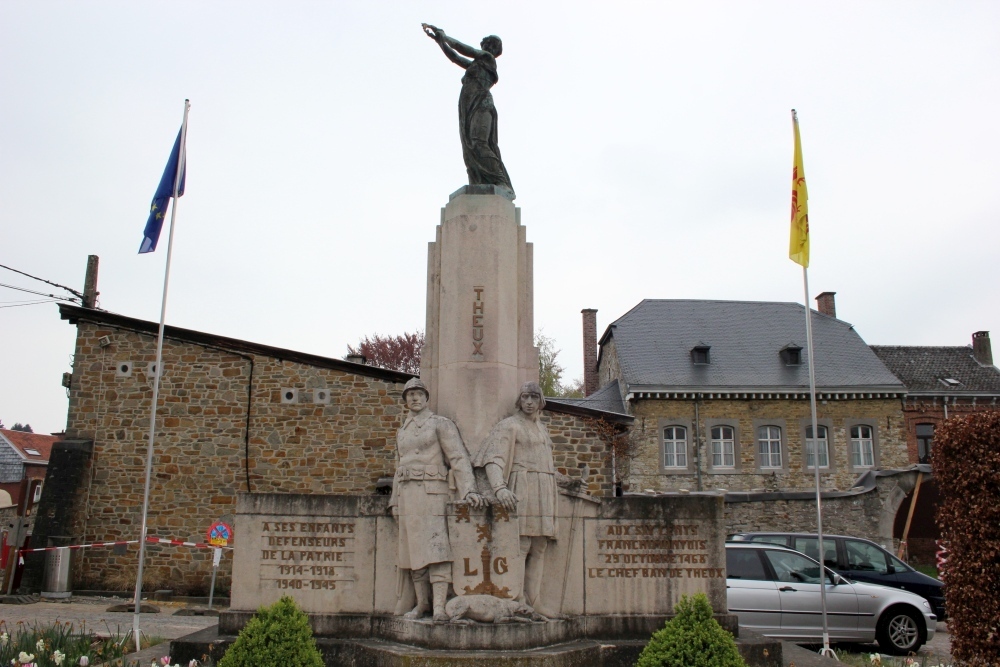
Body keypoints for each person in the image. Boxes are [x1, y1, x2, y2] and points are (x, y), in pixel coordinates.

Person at [389, 378, 485, 622]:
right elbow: (398, 467)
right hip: (407, 495)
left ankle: (440, 606)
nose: (414, 398)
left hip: (433, 493)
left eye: (419, 393)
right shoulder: (403, 430)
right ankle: (422, 604)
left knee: (437, 550)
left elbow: (458, 458)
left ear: (427, 397)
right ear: (405, 400)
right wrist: (394, 500)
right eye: (410, 394)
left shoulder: (440, 424)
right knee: (412, 553)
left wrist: (469, 490)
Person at [475, 382, 564, 617]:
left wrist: (566, 482)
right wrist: (500, 488)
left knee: (540, 545)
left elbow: (547, 464)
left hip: (544, 488)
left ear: (540, 401)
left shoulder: (541, 429)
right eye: (525, 397)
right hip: (522, 486)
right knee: (521, 544)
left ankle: (534, 600)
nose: (529, 402)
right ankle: (517, 598)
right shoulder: (510, 426)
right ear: (519, 400)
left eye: (534, 397)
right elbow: (493, 459)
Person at [421, 23, 514, 195]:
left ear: (493, 49)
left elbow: (462, 48)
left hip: (481, 102)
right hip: (468, 104)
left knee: (479, 143)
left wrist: (445, 36)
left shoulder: (487, 58)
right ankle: (479, 181)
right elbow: (455, 57)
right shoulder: (475, 65)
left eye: (490, 45)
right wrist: (440, 41)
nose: (486, 46)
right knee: (469, 146)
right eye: (485, 44)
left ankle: (501, 181)